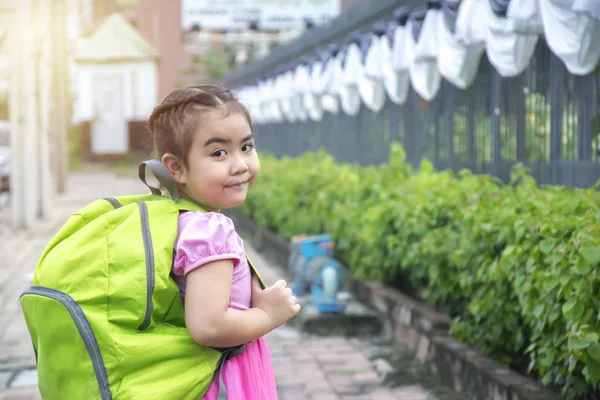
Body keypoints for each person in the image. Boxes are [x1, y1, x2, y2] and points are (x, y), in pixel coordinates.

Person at [147, 85, 301, 399]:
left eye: (246, 147)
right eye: (219, 153)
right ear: (176, 167)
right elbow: (209, 326)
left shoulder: (174, 216)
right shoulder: (211, 229)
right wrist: (268, 316)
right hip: (224, 384)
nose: (240, 164)